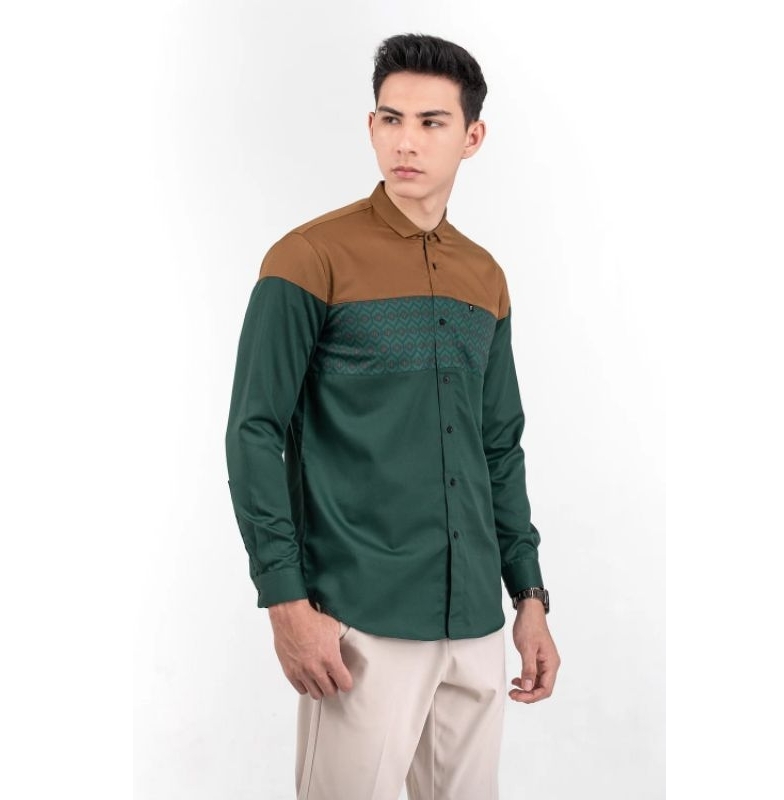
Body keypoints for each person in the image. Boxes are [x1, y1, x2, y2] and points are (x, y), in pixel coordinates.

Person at [225, 32, 560, 800]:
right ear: (371, 125)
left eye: (431, 122)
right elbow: (254, 432)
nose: (405, 141)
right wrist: (285, 602)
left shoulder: (484, 276)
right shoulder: (308, 257)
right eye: (390, 118)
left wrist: (529, 598)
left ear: (472, 136)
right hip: (360, 620)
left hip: (475, 622)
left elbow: (498, 446)